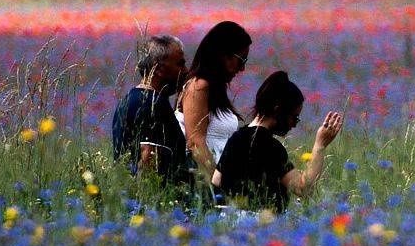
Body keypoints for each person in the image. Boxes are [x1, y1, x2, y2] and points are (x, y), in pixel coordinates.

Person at [214, 70, 343, 213]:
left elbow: (216, 181)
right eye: (294, 118)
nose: (294, 124)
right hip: (262, 225)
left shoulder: (235, 138)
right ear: (277, 110)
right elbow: (303, 188)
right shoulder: (271, 148)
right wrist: (320, 145)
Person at [178, 20, 251, 194]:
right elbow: (195, 142)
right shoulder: (199, 86)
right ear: (223, 55)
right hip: (203, 185)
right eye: (241, 60)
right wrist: (217, 188)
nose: (242, 68)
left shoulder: (214, 90)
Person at [110, 34, 184, 176]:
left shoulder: (131, 98)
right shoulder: (150, 105)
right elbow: (147, 160)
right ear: (158, 69)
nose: (185, 70)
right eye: (180, 64)